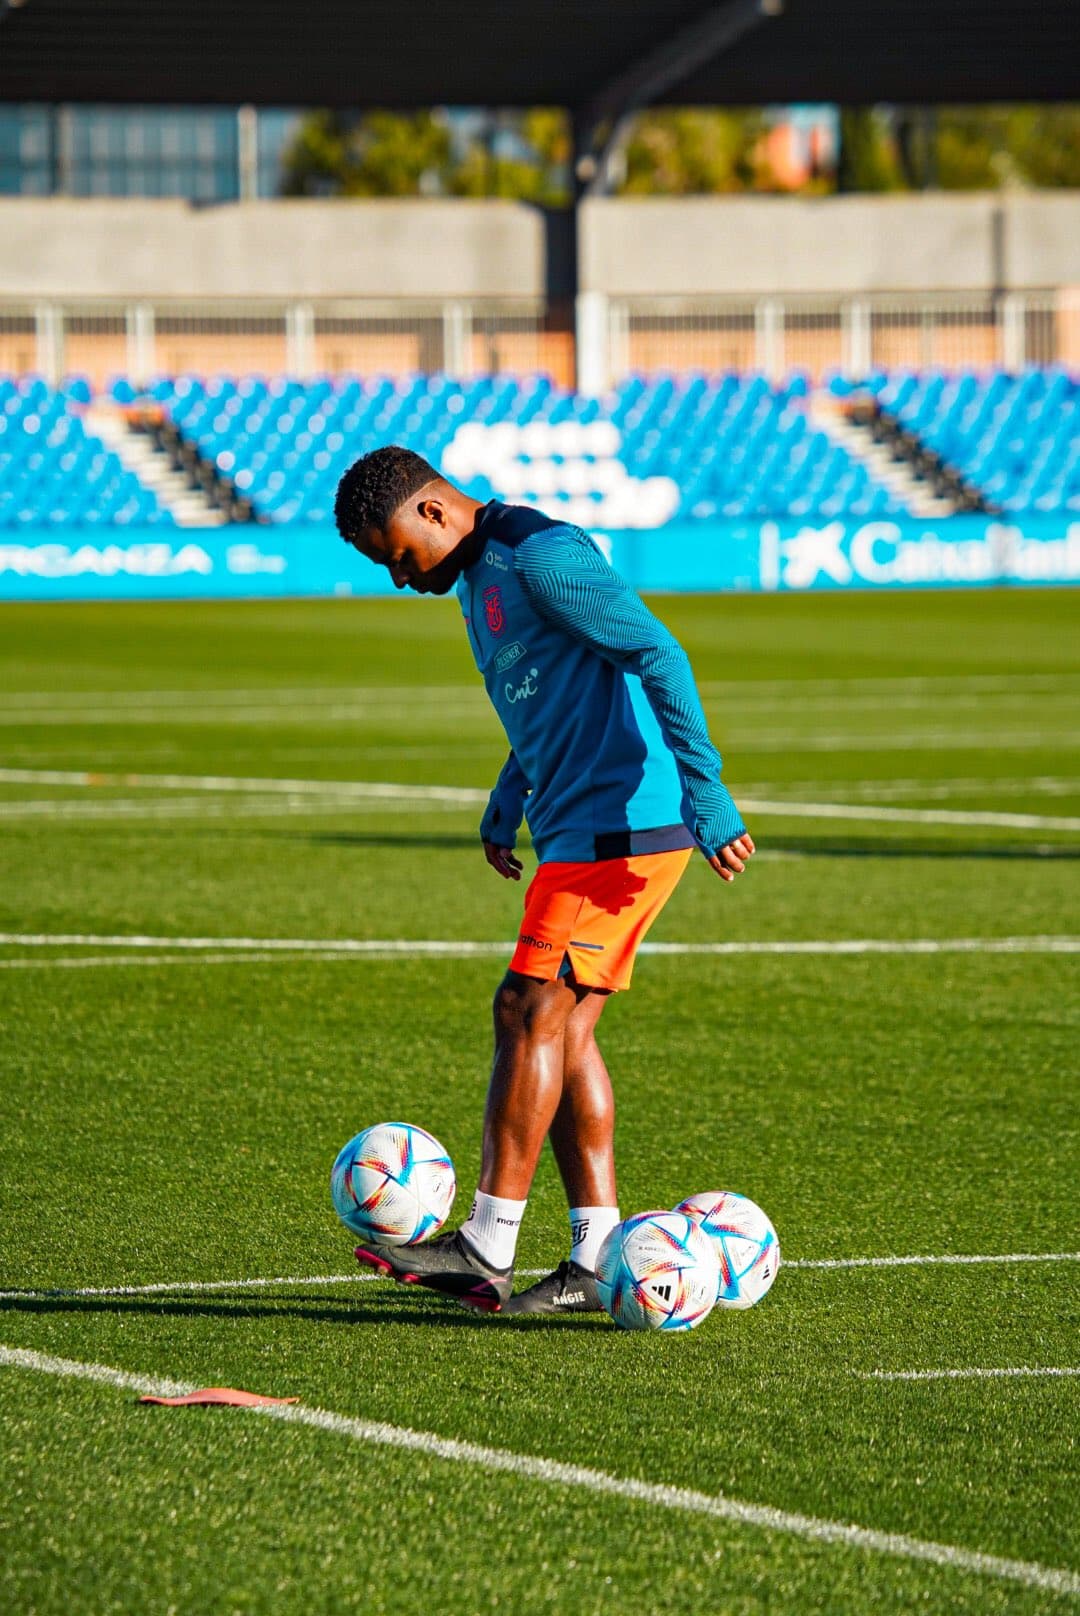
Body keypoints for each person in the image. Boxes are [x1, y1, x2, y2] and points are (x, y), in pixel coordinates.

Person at [334, 446, 754, 1316]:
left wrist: (706, 789)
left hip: (623, 823)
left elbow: (657, 652)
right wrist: (507, 792)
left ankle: (487, 1246)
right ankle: (598, 1255)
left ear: (435, 514)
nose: (402, 581)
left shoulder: (539, 554)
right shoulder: (479, 581)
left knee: (525, 1009)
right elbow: (546, 700)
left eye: (400, 558)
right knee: (561, 1032)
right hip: (574, 823)